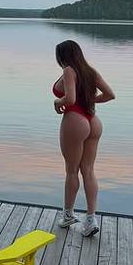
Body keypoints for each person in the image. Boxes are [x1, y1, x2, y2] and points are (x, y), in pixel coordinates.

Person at [52, 39, 115, 236]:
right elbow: (110, 94)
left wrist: (57, 101)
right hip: (93, 120)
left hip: (75, 121)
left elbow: (69, 99)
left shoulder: (69, 70)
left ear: (63, 56)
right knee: (88, 170)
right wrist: (89, 100)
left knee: (72, 171)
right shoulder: (90, 72)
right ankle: (90, 219)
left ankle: (69, 214)